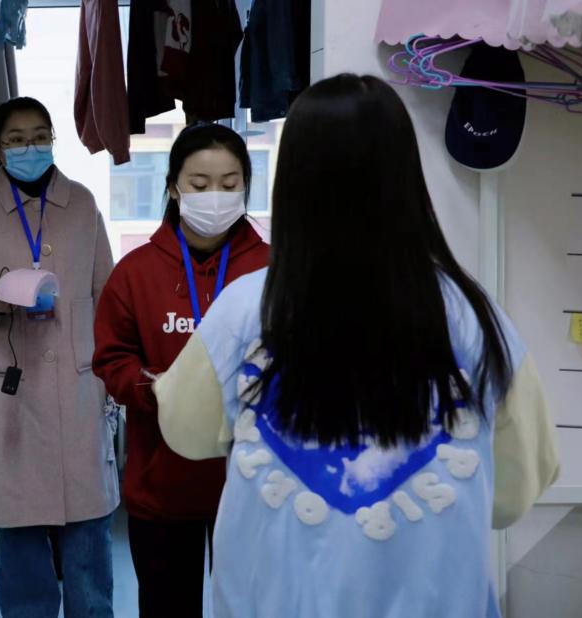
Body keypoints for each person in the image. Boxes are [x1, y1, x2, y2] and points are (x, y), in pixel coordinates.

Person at [153, 74, 560, 618]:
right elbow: (515, 489)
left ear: (292, 184)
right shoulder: (476, 320)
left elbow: (184, 431)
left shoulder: (245, 312)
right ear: (406, 178)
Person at [0, 97, 117, 618]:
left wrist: (110, 371)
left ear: (52, 139)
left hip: (78, 388)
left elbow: (107, 291)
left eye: (39, 136)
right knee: (20, 539)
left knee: (88, 536)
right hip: (10, 394)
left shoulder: (81, 204)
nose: (29, 147)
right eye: (16, 139)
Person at [92, 123, 268, 617]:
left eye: (230, 184)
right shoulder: (137, 272)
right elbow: (111, 359)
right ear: (173, 186)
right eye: (200, 183)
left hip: (253, 484)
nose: (216, 196)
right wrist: (155, 389)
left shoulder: (273, 267)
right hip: (162, 485)